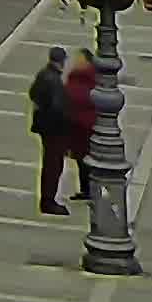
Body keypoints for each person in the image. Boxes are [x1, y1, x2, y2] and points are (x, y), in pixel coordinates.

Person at [28, 46, 77, 214]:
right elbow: (58, 109)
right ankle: (48, 201)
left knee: (49, 164)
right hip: (54, 131)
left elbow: (33, 93)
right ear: (61, 61)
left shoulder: (43, 74)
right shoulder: (54, 80)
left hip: (44, 128)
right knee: (54, 166)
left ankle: (47, 199)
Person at [62, 49, 104, 209]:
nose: (75, 61)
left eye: (78, 59)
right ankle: (86, 190)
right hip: (77, 127)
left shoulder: (90, 78)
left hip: (85, 127)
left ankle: (92, 190)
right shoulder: (76, 76)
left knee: (87, 161)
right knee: (81, 161)